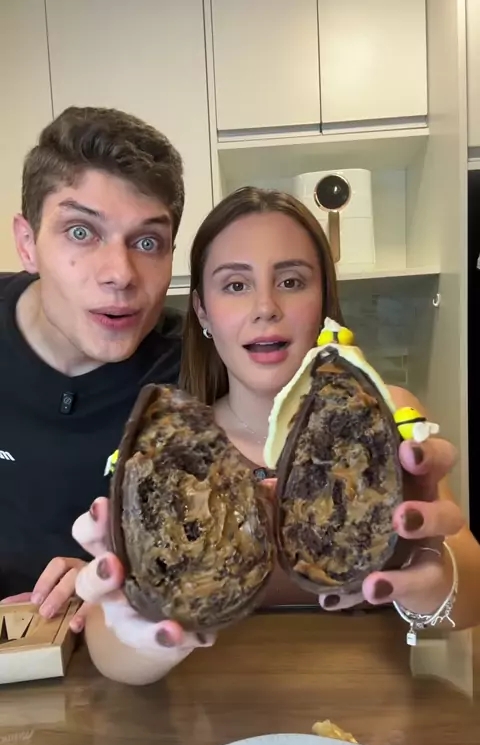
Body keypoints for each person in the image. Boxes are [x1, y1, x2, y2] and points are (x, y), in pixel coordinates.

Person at [64, 187, 479, 685]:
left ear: (323, 300)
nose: (266, 306)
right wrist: (149, 636)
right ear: (202, 311)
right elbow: (110, 643)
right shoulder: (168, 454)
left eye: (291, 281)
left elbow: (469, 598)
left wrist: (429, 572)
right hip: (217, 726)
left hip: (372, 718)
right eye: (235, 285)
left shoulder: (388, 419)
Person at [0, 105, 187, 603]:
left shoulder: (194, 369)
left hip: (127, 642)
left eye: (147, 241)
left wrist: (120, 580)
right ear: (27, 243)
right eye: (81, 232)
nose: (120, 274)